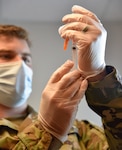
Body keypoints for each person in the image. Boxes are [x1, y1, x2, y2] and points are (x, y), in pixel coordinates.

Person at [0, 5, 120, 150]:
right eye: (5, 56)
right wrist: (48, 131)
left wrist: (100, 77)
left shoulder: (78, 132)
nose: (20, 64)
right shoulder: (60, 127)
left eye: (26, 59)